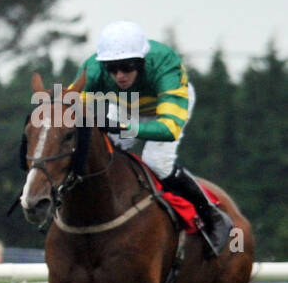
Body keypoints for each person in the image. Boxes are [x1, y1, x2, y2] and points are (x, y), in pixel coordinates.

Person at [78, 20, 232, 256]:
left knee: (156, 161)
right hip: (125, 104)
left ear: (141, 62)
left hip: (165, 107)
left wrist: (121, 126)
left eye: (127, 67)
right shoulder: (93, 69)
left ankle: (211, 214)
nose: (119, 75)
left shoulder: (166, 64)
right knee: (104, 147)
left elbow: (168, 129)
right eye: (112, 68)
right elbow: (69, 108)